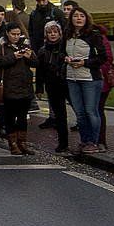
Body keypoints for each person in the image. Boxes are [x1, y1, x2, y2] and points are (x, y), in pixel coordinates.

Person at [64, 7, 106, 153]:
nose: (79, 18)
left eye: (82, 16)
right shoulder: (68, 35)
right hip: (72, 78)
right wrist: (67, 59)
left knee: (91, 111)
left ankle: (93, 141)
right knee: (79, 112)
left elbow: (102, 57)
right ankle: (84, 140)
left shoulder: (93, 35)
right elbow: (63, 52)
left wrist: (84, 62)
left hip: (90, 78)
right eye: (75, 16)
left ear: (86, 18)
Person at [0, 24, 37, 155]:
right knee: (10, 117)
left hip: (25, 86)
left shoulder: (25, 45)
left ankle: (22, 142)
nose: (16, 37)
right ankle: (12, 144)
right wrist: (13, 57)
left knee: (23, 117)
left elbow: (36, 62)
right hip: (8, 86)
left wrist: (30, 56)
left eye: (18, 34)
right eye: (13, 34)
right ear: (7, 33)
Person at [35, 21, 70, 153]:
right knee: (60, 115)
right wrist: (39, 88)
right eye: (50, 32)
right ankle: (63, 142)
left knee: (80, 112)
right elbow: (40, 70)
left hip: (67, 82)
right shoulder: (43, 50)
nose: (53, 35)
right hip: (52, 85)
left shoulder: (65, 47)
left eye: (55, 32)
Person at [96, 24, 114, 152]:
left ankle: (100, 141)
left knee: (98, 110)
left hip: (101, 80)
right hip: (83, 79)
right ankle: (90, 140)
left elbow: (107, 58)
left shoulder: (100, 37)